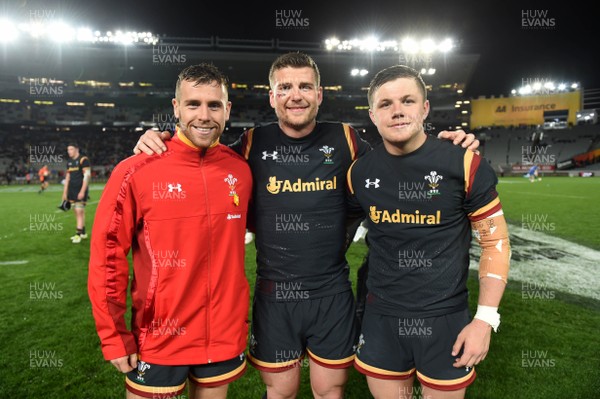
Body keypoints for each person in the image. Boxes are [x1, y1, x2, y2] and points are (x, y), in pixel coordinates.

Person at [134, 52, 480, 399]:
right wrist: (160, 140)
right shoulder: (252, 145)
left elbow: (397, 159)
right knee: (280, 391)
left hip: (332, 295)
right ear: (272, 96)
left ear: (319, 94)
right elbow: (201, 160)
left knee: (329, 390)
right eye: (284, 87)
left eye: (305, 86)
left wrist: (446, 146)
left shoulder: (346, 139)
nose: (295, 95)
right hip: (275, 298)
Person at [88, 63, 252, 399]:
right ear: (176, 107)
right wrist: (114, 336)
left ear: (227, 110)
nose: (204, 115)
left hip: (223, 333)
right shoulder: (135, 171)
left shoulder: (241, 169)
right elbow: (107, 257)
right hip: (159, 337)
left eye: (214, 105)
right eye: (193, 104)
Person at [347, 65, 511, 399]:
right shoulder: (359, 173)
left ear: (425, 108)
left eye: (407, 101)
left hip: (445, 320)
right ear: (373, 115)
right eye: (385, 104)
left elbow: (495, 242)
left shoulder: (464, 164)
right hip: (381, 319)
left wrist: (484, 320)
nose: (397, 111)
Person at [63, 143, 91, 243]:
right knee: (77, 211)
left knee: (79, 211)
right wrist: (65, 192)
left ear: (76, 149)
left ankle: (78, 234)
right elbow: (68, 177)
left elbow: (87, 176)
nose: (69, 151)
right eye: (68, 150)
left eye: (71, 149)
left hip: (80, 190)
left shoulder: (83, 160)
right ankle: (83, 233)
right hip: (72, 190)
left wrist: (83, 191)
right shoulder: (69, 162)